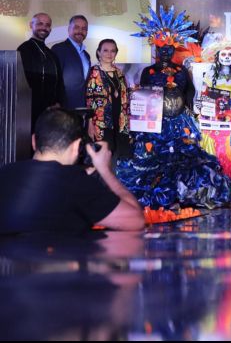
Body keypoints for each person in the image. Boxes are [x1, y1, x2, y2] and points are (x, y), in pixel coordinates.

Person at [117, 6, 231, 209]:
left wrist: (194, 113)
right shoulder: (148, 71)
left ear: (174, 48)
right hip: (156, 123)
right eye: (161, 48)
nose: (165, 51)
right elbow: (144, 98)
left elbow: (189, 94)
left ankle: (185, 194)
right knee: (155, 159)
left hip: (180, 122)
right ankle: (162, 196)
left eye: (169, 48)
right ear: (156, 47)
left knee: (185, 157)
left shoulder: (181, 71)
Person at [0, 108, 144, 234]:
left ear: (33, 141)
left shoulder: (4, 173)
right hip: (56, 262)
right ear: (77, 147)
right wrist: (105, 170)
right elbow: (136, 220)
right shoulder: (76, 181)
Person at [17, 12, 65, 132]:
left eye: (47, 25)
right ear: (31, 25)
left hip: (51, 112)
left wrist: (58, 103)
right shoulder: (24, 49)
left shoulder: (52, 54)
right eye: (40, 24)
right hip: (31, 112)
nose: (44, 27)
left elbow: (59, 82)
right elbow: (23, 82)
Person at [85, 39, 130, 159]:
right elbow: (89, 100)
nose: (109, 54)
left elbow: (123, 95)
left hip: (120, 120)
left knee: (118, 155)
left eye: (113, 51)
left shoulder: (119, 73)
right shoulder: (93, 72)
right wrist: (89, 124)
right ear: (98, 52)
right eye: (105, 50)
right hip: (101, 121)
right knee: (103, 156)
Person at [51, 15, 91, 109]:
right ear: (69, 29)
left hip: (82, 107)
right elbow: (53, 78)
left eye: (84, 28)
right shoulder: (59, 49)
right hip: (63, 106)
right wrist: (56, 102)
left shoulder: (86, 55)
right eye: (76, 27)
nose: (80, 31)